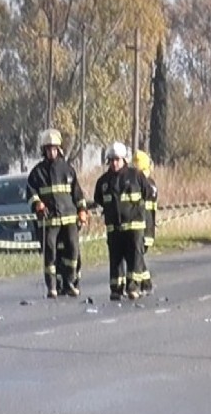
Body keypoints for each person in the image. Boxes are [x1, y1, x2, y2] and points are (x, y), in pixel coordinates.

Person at [26, 128, 88, 298]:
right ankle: (52, 286)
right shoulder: (37, 172)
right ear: (44, 150)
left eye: (54, 148)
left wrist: (82, 210)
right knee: (50, 253)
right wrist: (37, 203)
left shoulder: (68, 169)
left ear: (59, 149)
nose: (51, 151)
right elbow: (30, 193)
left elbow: (77, 193)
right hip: (49, 220)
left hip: (69, 218)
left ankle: (70, 283)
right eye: (48, 149)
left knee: (73, 250)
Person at [93, 142, 151, 301]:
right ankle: (116, 289)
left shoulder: (136, 176)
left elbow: (148, 192)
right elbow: (98, 199)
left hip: (134, 226)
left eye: (117, 159)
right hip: (114, 228)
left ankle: (133, 287)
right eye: (111, 160)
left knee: (134, 258)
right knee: (115, 259)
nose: (114, 163)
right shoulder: (103, 181)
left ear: (124, 159)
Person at [132, 149, 158, 294]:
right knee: (138, 256)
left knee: (137, 257)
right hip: (149, 228)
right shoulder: (151, 184)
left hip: (140, 227)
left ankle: (145, 283)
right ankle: (145, 283)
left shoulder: (140, 184)